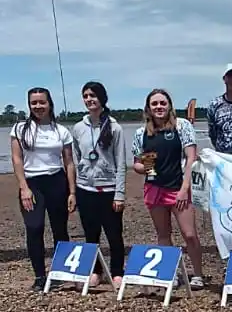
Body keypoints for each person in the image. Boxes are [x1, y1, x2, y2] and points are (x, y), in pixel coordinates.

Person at [132, 88, 203, 288]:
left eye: (162, 103)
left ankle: (197, 273)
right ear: (148, 108)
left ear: (169, 105)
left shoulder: (182, 126)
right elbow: (137, 163)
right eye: (154, 104)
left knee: (189, 234)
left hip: (178, 187)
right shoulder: (140, 133)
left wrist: (184, 188)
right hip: (154, 189)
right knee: (163, 234)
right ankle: (169, 273)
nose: (159, 107)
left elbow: (191, 158)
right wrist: (143, 167)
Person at [10, 87, 76, 290]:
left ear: (49, 104)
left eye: (42, 102)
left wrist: (72, 191)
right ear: (29, 105)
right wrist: (24, 188)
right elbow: (17, 158)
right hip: (32, 183)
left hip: (56, 182)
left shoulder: (61, 130)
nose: (38, 106)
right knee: (34, 227)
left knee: (60, 229)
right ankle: (40, 276)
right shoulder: (20, 129)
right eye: (34, 103)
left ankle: (59, 273)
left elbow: (69, 162)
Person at [72, 81, 127, 288]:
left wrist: (119, 194)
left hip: (109, 189)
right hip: (86, 190)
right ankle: (95, 271)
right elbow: (77, 158)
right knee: (91, 234)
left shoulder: (115, 127)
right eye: (85, 96)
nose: (89, 100)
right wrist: (77, 187)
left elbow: (121, 162)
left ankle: (116, 272)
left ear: (102, 98)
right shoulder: (78, 128)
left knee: (114, 234)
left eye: (93, 95)